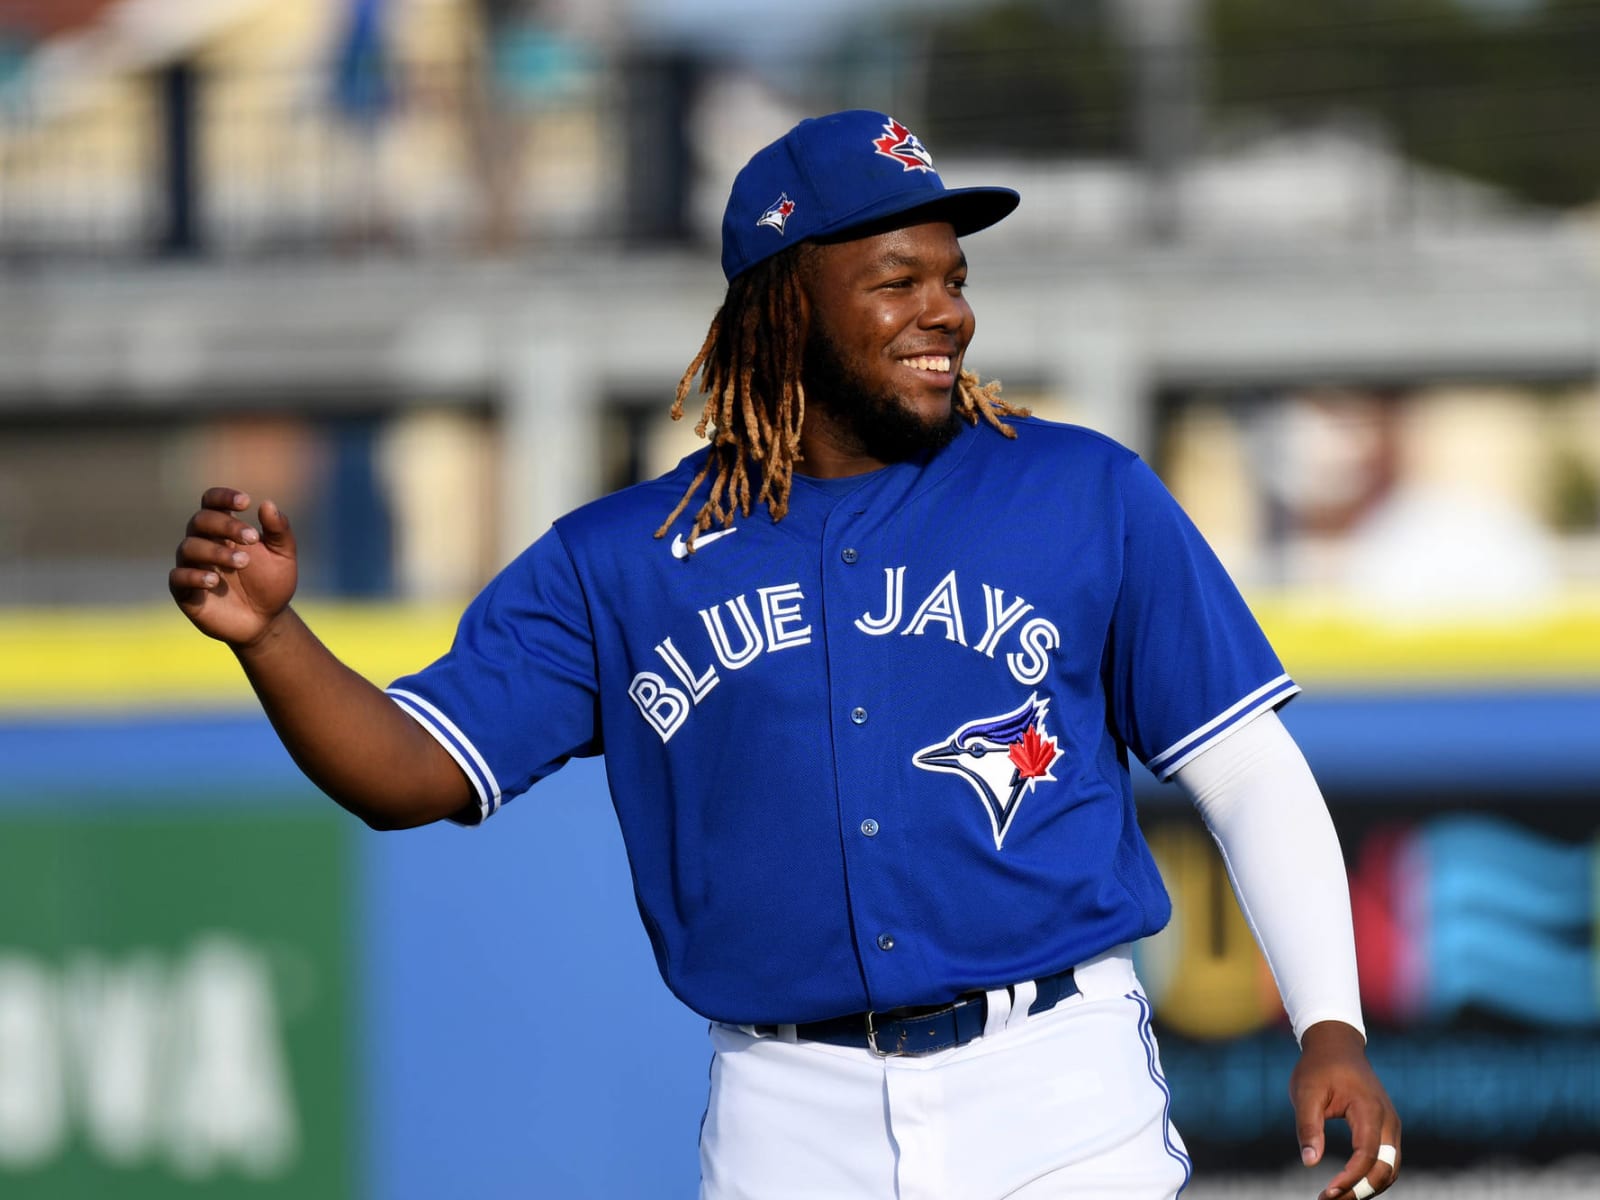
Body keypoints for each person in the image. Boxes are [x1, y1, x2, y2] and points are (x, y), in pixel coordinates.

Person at [171, 110, 1400, 1199]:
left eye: (954, 277)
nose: (947, 312)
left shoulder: (1080, 491)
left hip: (1057, 1089)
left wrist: (1330, 1028)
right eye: (895, 279)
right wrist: (272, 636)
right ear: (783, 304)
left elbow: (1244, 770)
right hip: (784, 1118)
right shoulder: (626, 557)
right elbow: (413, 773)